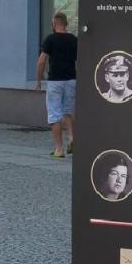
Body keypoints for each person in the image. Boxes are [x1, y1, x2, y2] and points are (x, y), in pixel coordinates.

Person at [36, 11, 78, 158]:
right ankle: (72, 139)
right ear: (66, 24)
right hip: (71, 80)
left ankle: (59, 149)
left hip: (55, 81)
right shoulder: (74, 39)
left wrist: (39, 80)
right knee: (68, 112)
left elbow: (42, 61)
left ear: (54, 24)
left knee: (54, 115)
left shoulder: (50, 39)